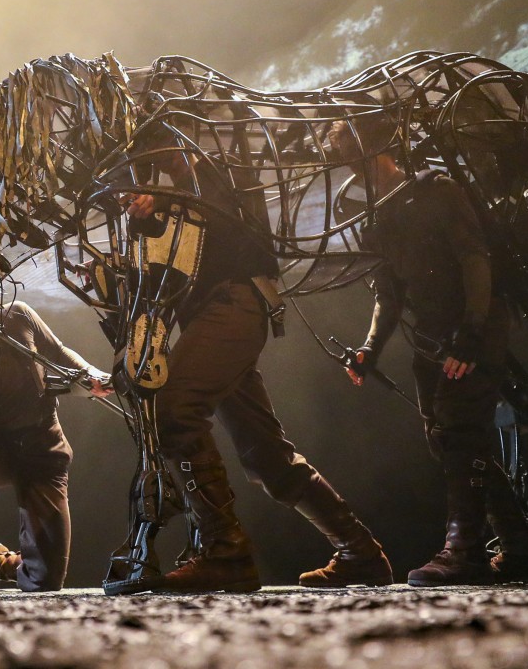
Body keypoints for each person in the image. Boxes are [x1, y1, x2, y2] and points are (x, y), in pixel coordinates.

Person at [122, 127, 393, 592]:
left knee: (173, 409)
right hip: (217, 315)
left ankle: (225, 550)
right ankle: (360, 552)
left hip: (235, 305)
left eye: (153, 151)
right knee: (265, 455)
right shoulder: (178, 192)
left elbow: (226, 221)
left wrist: (162, 202)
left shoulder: (222, 172)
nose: (151, 163)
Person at [328, 115, 528, 586]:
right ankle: (522, 551)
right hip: (433, 336)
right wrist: (369, 349)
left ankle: (464, 551)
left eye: (354, 152)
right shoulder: (377, 215)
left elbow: (475, 258)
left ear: (381, 147)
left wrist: (471, 333)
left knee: (459, 431)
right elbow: (388, 292)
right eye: (344, 157)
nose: (350, 165)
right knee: (448, 440)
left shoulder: (436, 191)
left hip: (471, 326)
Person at [0, 300, 113, 594]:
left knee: (44, 579)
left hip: (41, 450)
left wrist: (91, 374)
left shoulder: (17, 314)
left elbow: (58, 352)